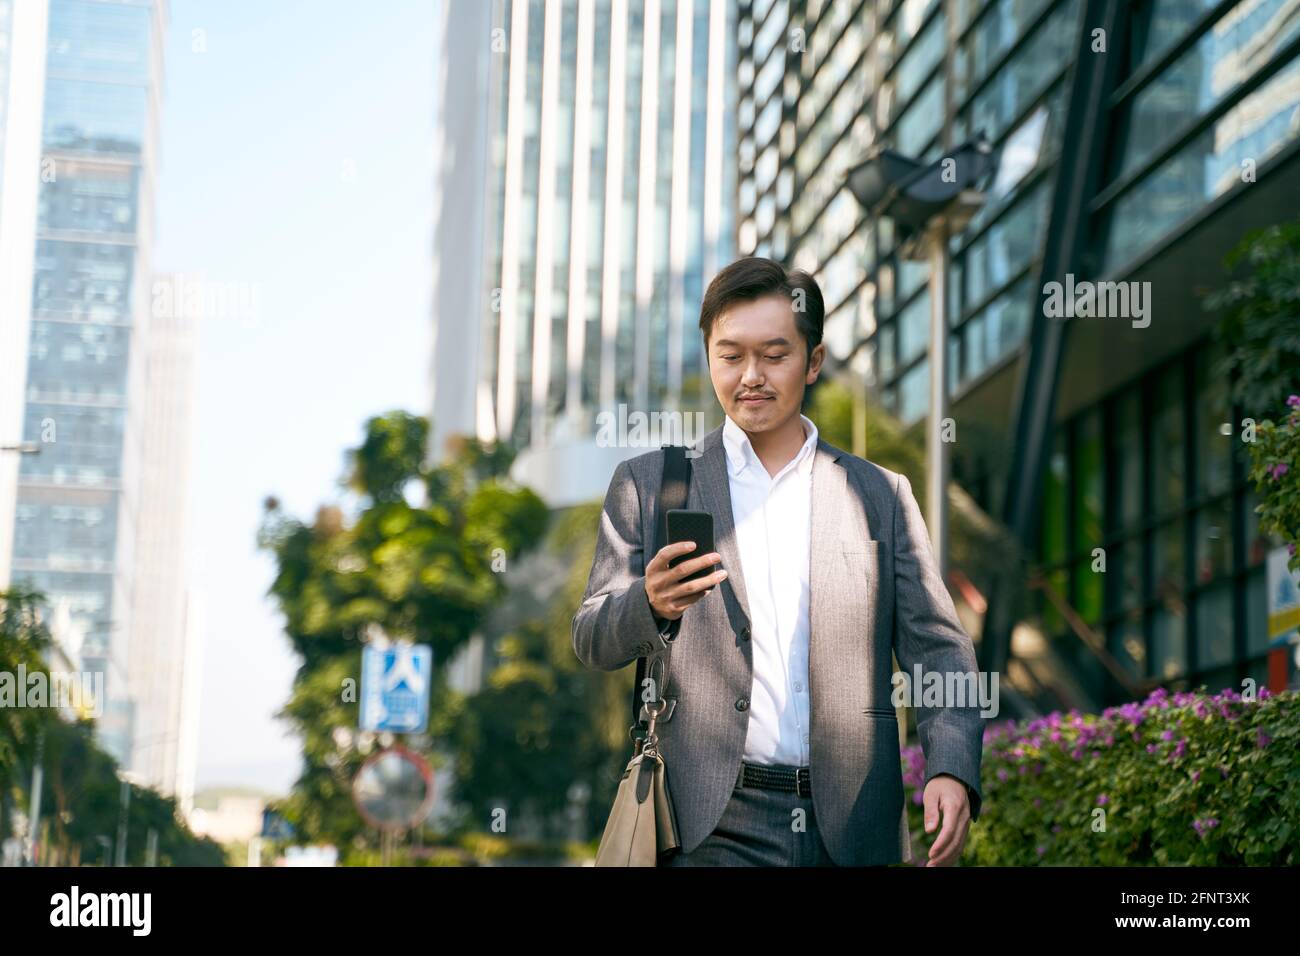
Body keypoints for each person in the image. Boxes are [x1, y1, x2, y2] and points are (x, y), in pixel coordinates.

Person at [572, 256, 984, 866]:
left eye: (775, 354)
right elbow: (591, 635)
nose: (751, 377)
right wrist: (648, 603)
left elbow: (938, 647)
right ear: (709, 354)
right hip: (707, 822)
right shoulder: (651, 484)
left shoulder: (879, 495)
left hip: (849, 826)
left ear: (813, 361)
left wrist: (951, 767)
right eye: (730, 355)